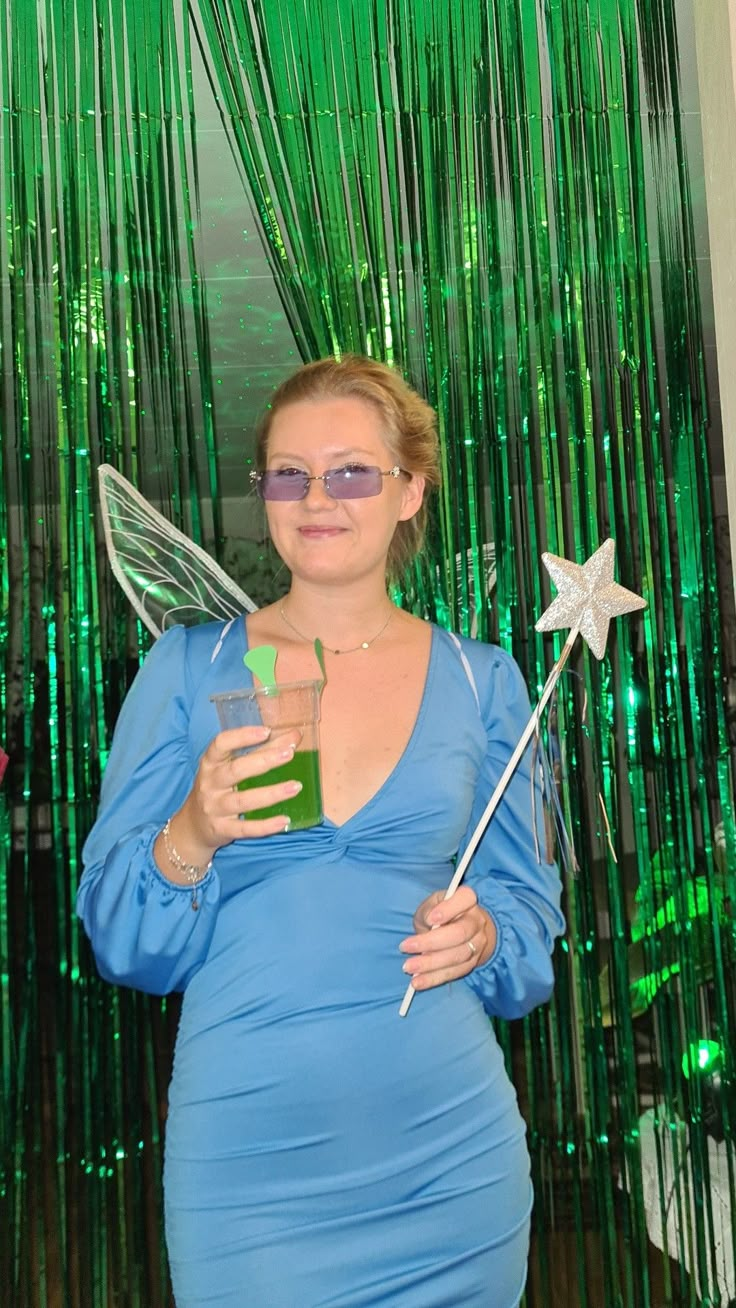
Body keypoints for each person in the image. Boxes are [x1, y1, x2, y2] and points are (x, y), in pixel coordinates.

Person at [77, 355, 565, 1308]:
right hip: (249, 1170)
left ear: (410, 489)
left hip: (450, 1160)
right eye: (288, 474)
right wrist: (193, 830)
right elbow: (122, 939)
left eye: (351, 471)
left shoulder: (485, 681)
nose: (317, 499)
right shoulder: (186, 669)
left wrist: (490, 934)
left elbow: (530, 925)